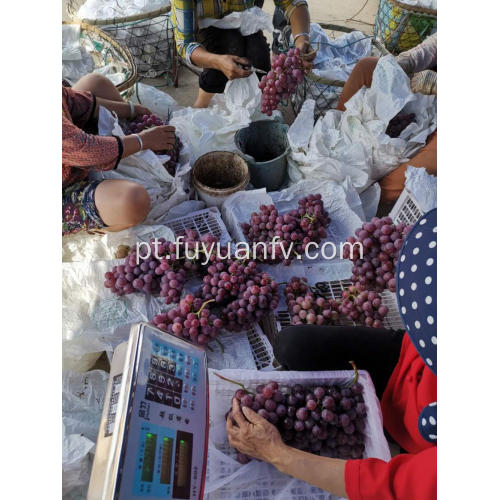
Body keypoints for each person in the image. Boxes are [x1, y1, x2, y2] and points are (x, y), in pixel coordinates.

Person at [226, 209, 437, 499]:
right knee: (293, 345)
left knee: (320, 432)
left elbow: (392, 486)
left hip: (412, 437)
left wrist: (277, 454)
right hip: (406, 358)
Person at [62, 74, 177, 235]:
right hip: (64, 186)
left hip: (72, 150)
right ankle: (94, 221)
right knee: (133, 200)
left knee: (96, 83)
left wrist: (132, 110)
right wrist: (142, 140)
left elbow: (76, 101)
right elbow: (88, 150)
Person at [336, 33, 437, 207]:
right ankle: (334, 140)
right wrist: (407, 62)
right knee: (367, 68)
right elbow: (435, 46)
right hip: (427, 95)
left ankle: (375, 196)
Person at [171, 0, 314, 108]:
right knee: (228, 50)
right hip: (206, 25)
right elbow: (185, 44)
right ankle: (201, 104)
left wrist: (301, 38)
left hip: (247, 20)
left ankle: (258, 110)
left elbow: (293, 3)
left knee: (259, 57)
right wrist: (218, 61)